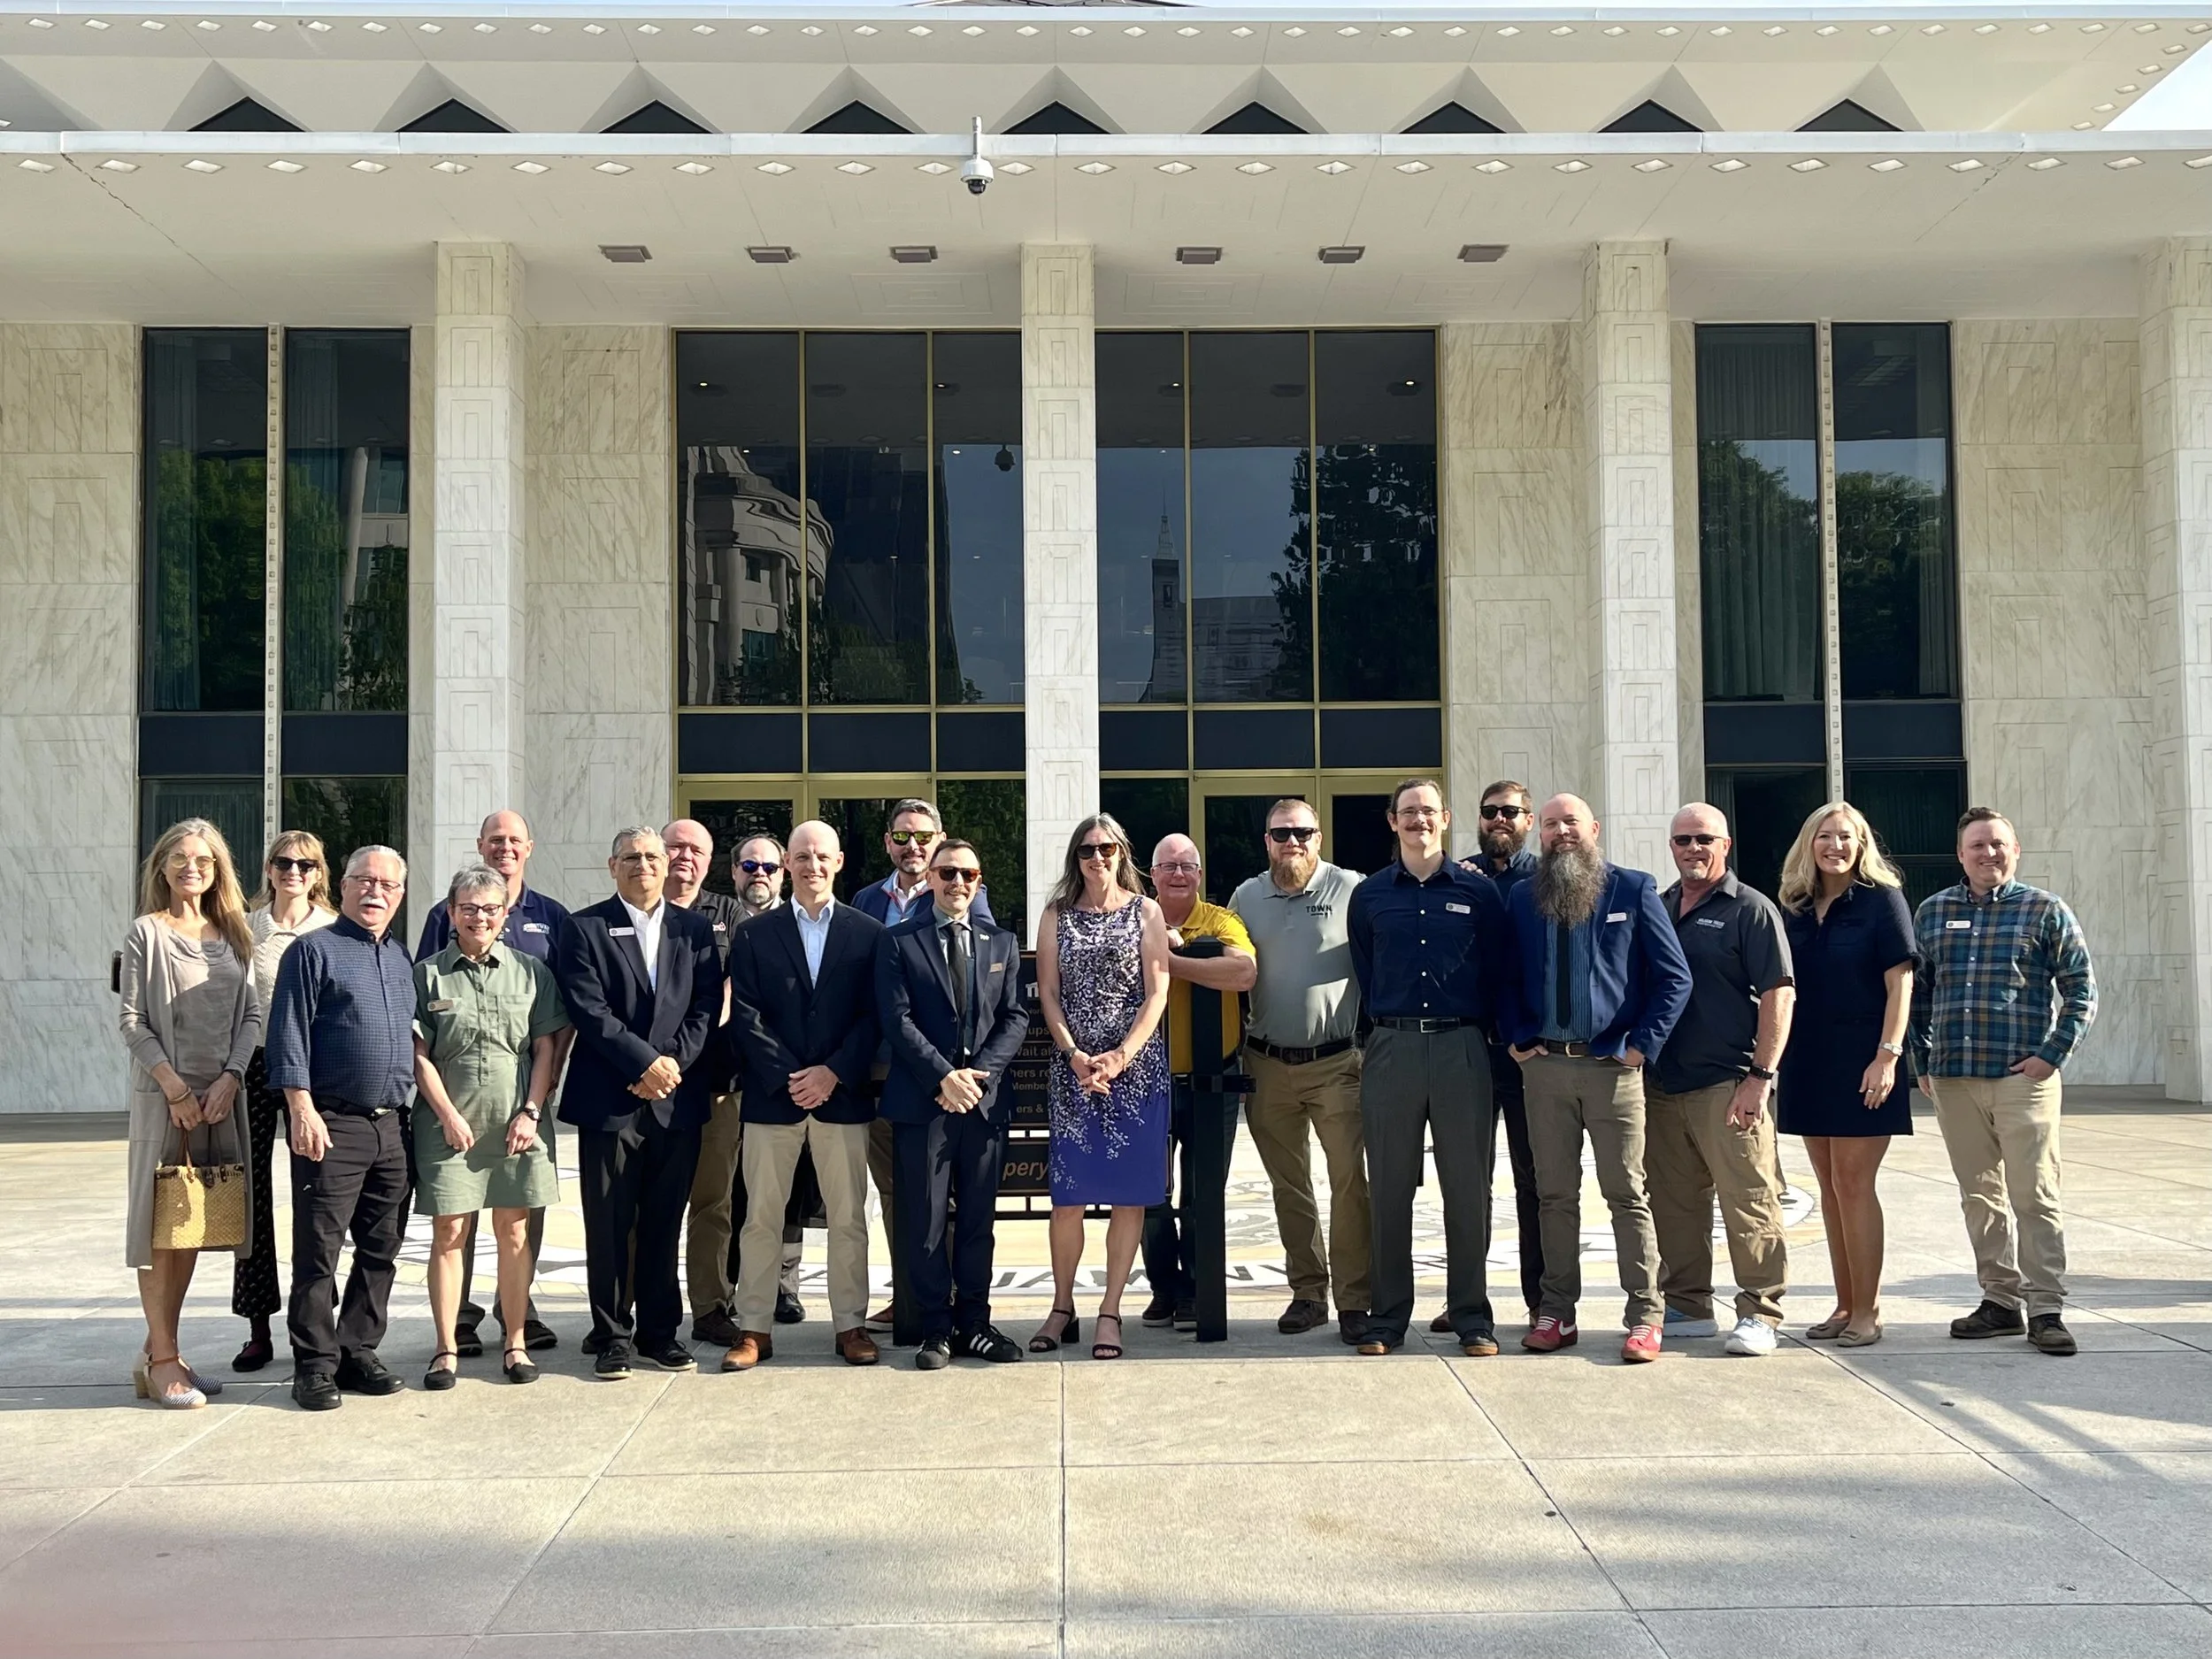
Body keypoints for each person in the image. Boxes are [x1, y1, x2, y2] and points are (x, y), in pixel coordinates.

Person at [1503, 794, 1692, 1363]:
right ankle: (1556, 1313)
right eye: (1553, 824)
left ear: (1594, 829)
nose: (1562, 832)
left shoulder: (1632, 890)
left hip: (1613, 1069)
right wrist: (1517, 1035)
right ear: (1540, 833)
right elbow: (1505, 975)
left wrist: (1642, 1047)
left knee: (1627, 1195)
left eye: (1572, 823)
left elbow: (1673, 978)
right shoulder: (1521, 896)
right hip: (1546, 1070)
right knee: (1554, 1195)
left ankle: (1644, 1316)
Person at [1912, 807, 2098, 1358]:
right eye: (1977, 846)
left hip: (2023, 1078)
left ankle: (2046, 1308)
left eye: (1998, 844)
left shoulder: (2045, 910)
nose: (1988, 854)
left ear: (2015, 851)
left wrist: (2051, 1056)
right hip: (1953, 1080)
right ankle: (1999, 1301)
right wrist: (1921, 1061)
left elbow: (2082, 989)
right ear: (1960, 855)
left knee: (2034, 1194)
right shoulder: (1933, 911)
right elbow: (1917, 993)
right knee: (1979, 1196)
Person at [1347, 780, 1511, 1358]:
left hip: (1461, 1047)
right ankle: (1388, 1318)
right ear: (1392, 821)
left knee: (1467, 1189)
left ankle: (1471, 1315)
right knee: (1389, 1188)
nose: (1419, 819)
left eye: (1428, 810)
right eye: (1408, 811)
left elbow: (1496, 970)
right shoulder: (1369, 896)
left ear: (1446, 818)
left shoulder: (1478, 892)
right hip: (1392, 1048)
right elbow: (1367, 970)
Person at [553, 826, 724, 1380]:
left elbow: (705, 1007)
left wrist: (670, 1066)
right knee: (607, 1224)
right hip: (611, 1099)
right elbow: (588, 1008)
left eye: (653, 856)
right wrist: (643, 1065)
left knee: (662, 1222)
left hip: (677, 1100)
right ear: (612, 865)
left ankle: (658, 1333)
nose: (644, 866)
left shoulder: (696, 930)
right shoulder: (583, 928)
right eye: (631, 857)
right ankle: (611, 1335)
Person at [720, 820, 887, 1370]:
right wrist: (792, 1077)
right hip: (775, 1097)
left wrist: (832, 1073)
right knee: (761, 1217)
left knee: (847, 1219)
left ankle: (850, 1326)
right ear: (787, 865)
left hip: (841, 1097)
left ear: (839, 863)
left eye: (822, 856)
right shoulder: (753, 935)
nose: (812, 865)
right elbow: (745, 1015)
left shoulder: (867, 933)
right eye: (801, 857)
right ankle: (753, 1329)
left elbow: (874, 1017)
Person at [412, 809, 571, 1357]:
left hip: (519, 1113)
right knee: (452, 1231)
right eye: (469, 910)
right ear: (453, 913)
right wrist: (448, 1115)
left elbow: (551, 1037)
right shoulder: (432, 958)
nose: (479, 918)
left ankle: (517, 1328)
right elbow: (419, 1042)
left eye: (490, 910)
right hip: (451, 1116)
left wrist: (534, 1105)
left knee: (517, 1229)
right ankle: (452, 1333)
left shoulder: (543, 942)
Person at [265, 844, 418, 1410]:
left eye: (388, 884)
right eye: (365, 880)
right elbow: (289, 1034)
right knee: (319, 1251)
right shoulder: (312, 952)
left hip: (390, 1126)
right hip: (331, 1123)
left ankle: (358, 1350)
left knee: (382, 1248)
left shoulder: (401, 958)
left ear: (400, 896)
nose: (376, 891)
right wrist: (300, 1108)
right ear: (345, 885)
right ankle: (314, 1364)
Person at [119, 818, 262, 1409]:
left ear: (217, 869)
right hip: (167, 1105)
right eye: (179, 857)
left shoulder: (235, 933)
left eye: (202, 858)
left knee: (193, 1229)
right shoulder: (145, 934)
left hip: (220, 1103)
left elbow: (251, 1017)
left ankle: (160, 1352)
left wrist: (230, 1078)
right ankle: (164, 1361)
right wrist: (175, 1088)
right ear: (162, 866)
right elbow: (132, 1021)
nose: (190, 867)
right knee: (161, 1232)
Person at [1648, 803, 1796, 1358]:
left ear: (1725, 845)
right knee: (1675, 1201)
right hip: (1664, 1085)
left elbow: (1780, 994)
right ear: (1671, 846)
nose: (1693, 848)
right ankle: (1687, 1304)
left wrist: (1760, 1077)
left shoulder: (1751, 910)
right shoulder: (1659, 907)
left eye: (1704, 839)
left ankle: (1761, 1311)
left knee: (1749, 1199)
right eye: (1683, 839)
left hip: (1730, 1083)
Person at [878, 838, 1031, 1369]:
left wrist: (978, 1078)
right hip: (925, 1103)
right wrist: (944, 1077)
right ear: (932, 879)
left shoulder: (1002, 942)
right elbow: (895, 1019)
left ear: (979, 879)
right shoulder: (898, 941)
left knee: (976, 1221)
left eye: (967, 873)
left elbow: (1015, 1017)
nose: (957, 882)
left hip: (983, 1107)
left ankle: (974, 1323)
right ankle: (934, 1329)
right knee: (923, 1222)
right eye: (947, 873)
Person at [1776, 801, 1918, 1349]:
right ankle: (1843, 1304)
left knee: (1856, 1187)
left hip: (1864, 1058)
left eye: (1847, 838)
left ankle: (1869, 1311)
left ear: (1862, 846)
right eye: (1825, 837)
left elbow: (1900, 984)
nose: (1835, 847)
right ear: (1809, 844)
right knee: (1831, 1191)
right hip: (1809, 1059)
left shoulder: (1883, 902)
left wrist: (1887, 1055)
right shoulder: (1795, 907)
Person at [1031, 813, 1171, 1362]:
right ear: (1076, 857)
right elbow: (1048, 992)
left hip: (1134, 1074)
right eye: (1088, 849)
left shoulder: (1147, 911)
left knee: (1127, 1198)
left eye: (1107, 848)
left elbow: (1156, 992)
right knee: (1067, 1199)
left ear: (1121, 853)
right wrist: (1074, 1055)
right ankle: (1062, 1306)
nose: (1098, 857)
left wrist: (1121, 1056)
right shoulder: (1056, 915)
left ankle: (1110, 1310)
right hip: (1073, 1073)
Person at [851, 797, 996, 1329]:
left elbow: (981, 988)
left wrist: (953, 1074)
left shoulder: (966, 895)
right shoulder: (867, 900)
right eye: (902, 836)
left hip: (953, 1081)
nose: (912, 846)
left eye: (923, 836)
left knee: (954, 1196)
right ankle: (911, 1296)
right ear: (888, 841)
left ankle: (955, 1299)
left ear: (939, 841)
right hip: (887, 1070)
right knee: (900, 1193)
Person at [1230, 797, 1371, 1341]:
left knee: (1349, 1184)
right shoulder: (1246, 896)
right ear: (1266, 840)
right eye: (1281, 833)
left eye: (1303, 833)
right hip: (1267, 1064)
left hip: (1337, 1062)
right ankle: (1309, 1292)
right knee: (1289, 1187)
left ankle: (1355, 1299)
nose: (1293, 842)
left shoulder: (1352, 889)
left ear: (1319, 838)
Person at [681, 828, 808, 1346]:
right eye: (749, 867)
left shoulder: (807, 921)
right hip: (721, 1078)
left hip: (787, 1079)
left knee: (788, 1192)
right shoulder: (720, 921)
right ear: (733, 873)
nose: (760, 875)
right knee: (723, 1192)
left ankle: (782, 1283)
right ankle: (720, 1294)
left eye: (769, 867)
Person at [1436, 780, 1545, 1333]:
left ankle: (1540, 1302)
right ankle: (1465, 1301)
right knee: (1466, 1180)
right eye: (1490, 812)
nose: (1500, 819)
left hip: (1529, 1054)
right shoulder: (1460, 876)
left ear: (1528, 819)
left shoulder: (1549, 881)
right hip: (1470, 1049)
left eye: (1511, 811)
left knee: (1533, 1179)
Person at [1140, 833, 1256, 1334]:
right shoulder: (1136, 918)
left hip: (1214, 1080)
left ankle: (1198, 1289)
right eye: (1169, 866)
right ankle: (1165, 1289)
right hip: (1148, 1082)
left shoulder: (1220, 920)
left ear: (1201, 873)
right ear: (1152, 874)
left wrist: (1170, 965)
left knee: (1204, 1193)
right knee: (1150, 1196)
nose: (1179, 874)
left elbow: (1244, 972)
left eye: (1188, 865)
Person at [232, 829, 336, 1371]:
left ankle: (317, 1319)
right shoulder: (246, 930)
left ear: (320, 874)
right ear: (269, 870)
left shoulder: (333, 931)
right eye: (283, 863)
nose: (294, 872)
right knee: (254, 1196)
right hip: (254, 1063)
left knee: (317, 1194)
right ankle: (256, 1325)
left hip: (315, 1069)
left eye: (305, 864)